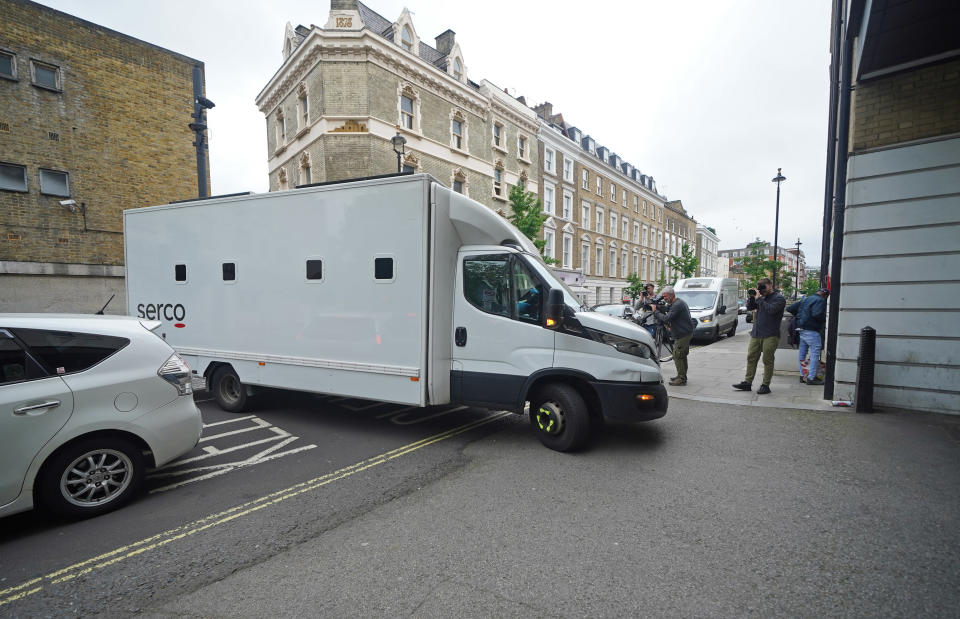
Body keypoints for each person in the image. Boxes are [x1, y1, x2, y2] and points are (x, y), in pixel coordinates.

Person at [732, 277, 786, 394]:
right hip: (756, 333)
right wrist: (752, 297)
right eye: (760, 288)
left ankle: (765, 385)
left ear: (770, 285)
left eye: (763, 287)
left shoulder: (779, 298)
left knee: (767, 360)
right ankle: (747, 382)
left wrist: (760, 299)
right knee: (751, 358)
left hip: (770, 334)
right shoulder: (761, 297)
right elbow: (750, 307)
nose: (762, 290)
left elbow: (771, 310)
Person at [648, 285, 694, 386]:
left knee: (677, 355)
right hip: (684, 332)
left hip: (683, 334)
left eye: (665, 297)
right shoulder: (676, 303)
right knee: (682, 356)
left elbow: (666, 318)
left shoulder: (678, 304)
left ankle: (681, 379)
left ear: (672, 295)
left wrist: (655, 311)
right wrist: (657, 306)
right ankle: (681, 375)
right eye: (663, 297)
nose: (664, 299)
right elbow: (666, 308)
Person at [786, 287, 828, 385]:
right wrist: (824, 320)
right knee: (815, 353)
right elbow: (817, 314)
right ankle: (811, 377)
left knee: (802, 353)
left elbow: (790, 308)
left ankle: (802, 375)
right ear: (825, 295)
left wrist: (800, 316)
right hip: (812, 330)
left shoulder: (806, 299)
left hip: (801, 329)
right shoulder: (821, 300)